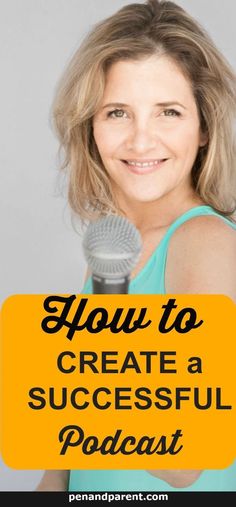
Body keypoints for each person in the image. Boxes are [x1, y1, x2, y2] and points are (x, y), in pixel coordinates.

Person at [36, 0, 236, 492]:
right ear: (91, 127)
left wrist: (53, 392)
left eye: (169, 112)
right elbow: (64, 464)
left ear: (204, 126)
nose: (141, 141)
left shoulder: (204, 241)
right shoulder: (115, 247)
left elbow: (185, 456)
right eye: (117, 112)